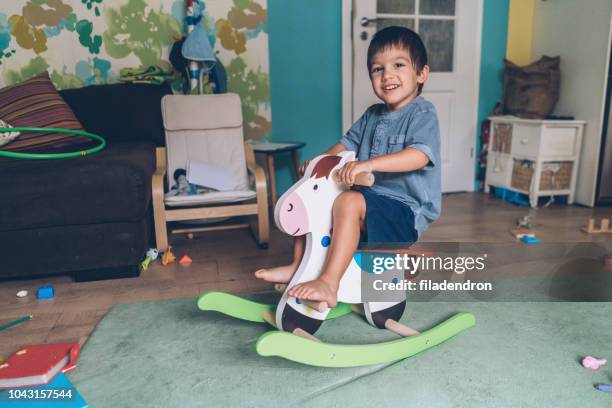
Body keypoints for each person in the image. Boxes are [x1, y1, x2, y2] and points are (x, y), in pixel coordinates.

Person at [255, 26, 441, 307]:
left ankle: (328, 283)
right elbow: (345, 144)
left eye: (398, 65)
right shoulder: (372, 115)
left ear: (421, 73)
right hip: (370, 201)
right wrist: (321, 163)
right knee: (319, 200)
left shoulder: (423, 113)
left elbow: (418, 156)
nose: (387, 75)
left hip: (404, 211)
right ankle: (299, 265)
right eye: (377, 69)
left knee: (347, 202)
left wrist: (369, 164)